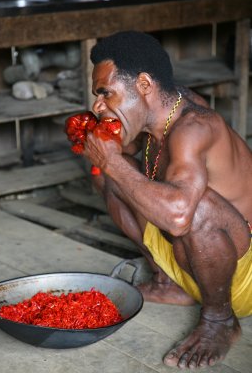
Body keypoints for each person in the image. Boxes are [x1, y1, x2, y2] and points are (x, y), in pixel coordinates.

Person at [81, 30, 252, 369]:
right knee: (111, 178)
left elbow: (178, 217)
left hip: (240, 276)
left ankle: (220, 320)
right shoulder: (160, 111)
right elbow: (125, 159)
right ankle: (171, 281)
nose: (98, 105)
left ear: (144, 85)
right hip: (194, 261)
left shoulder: (194, 127)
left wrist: (111, 160)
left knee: (194, 206)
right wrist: (105, 156)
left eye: (106, 94)